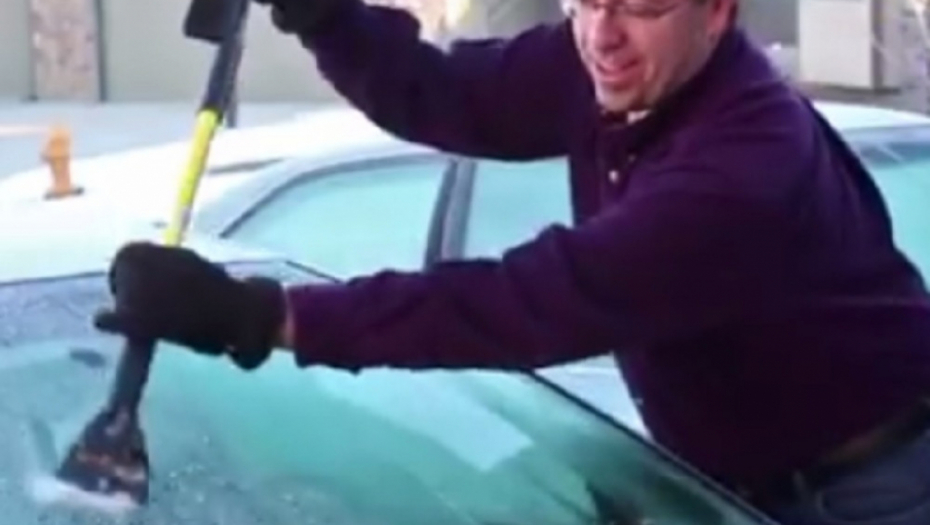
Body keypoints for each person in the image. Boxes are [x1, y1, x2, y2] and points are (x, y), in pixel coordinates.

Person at [95, 0, 930, 522]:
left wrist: (261, 315)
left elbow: (528, 302)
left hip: (870, 491)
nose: (603, 35)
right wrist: (326, 18)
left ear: (717, 11)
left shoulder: (742, 168)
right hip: (723, 478)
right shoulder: (610, 63)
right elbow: (448, 93)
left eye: (640, 5)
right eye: (587, 0)